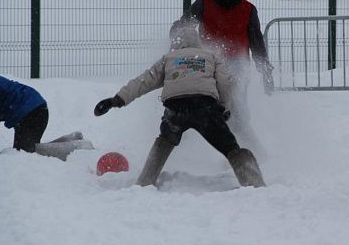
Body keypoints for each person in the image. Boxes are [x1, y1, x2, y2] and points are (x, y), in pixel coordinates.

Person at [93, 24, 266, 188]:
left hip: (175, 110)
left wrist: (116, 100)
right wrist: (223, 107)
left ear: (176, 43)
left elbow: (143, 81)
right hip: (205, 109)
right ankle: (253, 182)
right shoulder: (210, 57)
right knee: (231, 147)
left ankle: (145, 182)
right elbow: (225, 82)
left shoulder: (168, 59)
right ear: (198, 42)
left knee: (164, 142)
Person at [171, 0, 273, 155]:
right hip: (208, 65)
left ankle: (252, 151)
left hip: (238, 66)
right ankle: (197, 149)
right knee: (202, 108)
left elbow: (257, 43)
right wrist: (176, 34)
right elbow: (184, 24)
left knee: (235, 111)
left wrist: (265, 69)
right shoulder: (203, 4)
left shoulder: (248, 9)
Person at [0, 69, 89, 159]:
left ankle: (77, 148)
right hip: (30, 110)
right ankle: (71, 139)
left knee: (25, 154)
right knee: (23, 151)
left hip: (32, 112)